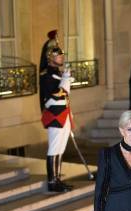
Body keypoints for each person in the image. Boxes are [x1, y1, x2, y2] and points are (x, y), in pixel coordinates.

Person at [39, 30, 74, 193]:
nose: (62, 57)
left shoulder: (59, 74)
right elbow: (52, 98)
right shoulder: (46, 75)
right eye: (58, 55)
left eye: (61, 55)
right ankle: (52, 181)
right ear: (50, 57)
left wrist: (65, 80)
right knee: (54, 148)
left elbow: (65, 96)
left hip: (64, 115)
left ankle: (58, 178)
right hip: (54, 116)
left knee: (61, 148)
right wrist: (64, 82)